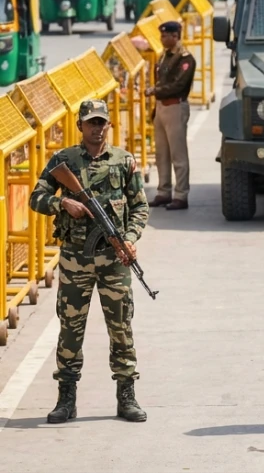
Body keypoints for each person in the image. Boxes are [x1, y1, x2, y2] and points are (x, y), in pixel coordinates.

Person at [29, 100, 150, 424]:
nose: (96, 128)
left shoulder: (123, 161)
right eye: (90, 123)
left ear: (108, 125)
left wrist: (130, 238)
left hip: (114, 261)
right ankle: (66, 399)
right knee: (70, 330)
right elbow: (36, 198)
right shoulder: (64, 161)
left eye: (101, 123)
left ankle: (127, 397)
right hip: (75, 260)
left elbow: (140, 207)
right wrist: (62, 202)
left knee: (121, 328)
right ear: (80, 125)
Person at [145, 21, 195, 211]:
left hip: (175, 106)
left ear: (175, 36)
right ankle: (163, 191)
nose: (162, 39)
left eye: (165, 36)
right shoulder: (164, 56)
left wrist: (154, 91)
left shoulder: (185, 58)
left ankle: (181, 194)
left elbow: (178, 85)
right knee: (161, 154)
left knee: (178, 154)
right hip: (162, 108)